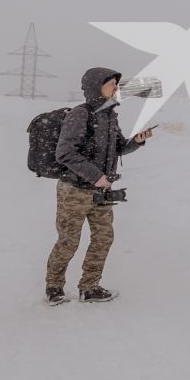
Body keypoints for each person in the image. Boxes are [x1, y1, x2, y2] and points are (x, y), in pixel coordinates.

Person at [46, 67, 155, 305]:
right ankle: (54, 287)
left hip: (101, 192)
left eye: (117, 84)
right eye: (112, 84)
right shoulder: (80, 114)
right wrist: (96, 176)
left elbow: (119, 148)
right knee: (69, 241)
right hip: (74, 191)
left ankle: (90, 287)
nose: (116, 88)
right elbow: (64, 153)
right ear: (96, 87)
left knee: (103, 238)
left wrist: (136, 141)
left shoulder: (109, 115)